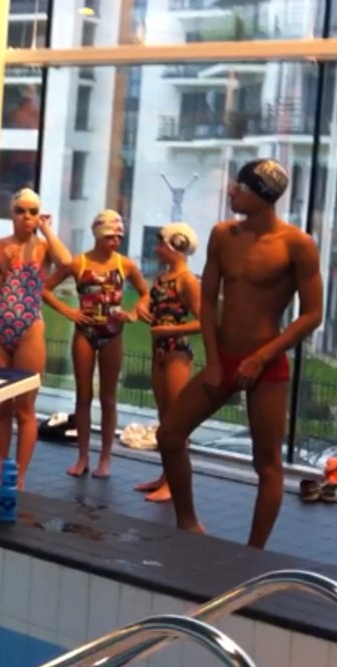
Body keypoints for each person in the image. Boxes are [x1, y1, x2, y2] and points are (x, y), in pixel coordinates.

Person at [157, 159, 322, 548]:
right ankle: (187, 522)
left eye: (241, 187)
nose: (231, 191)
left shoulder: (296, 245)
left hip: (267, 364)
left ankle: (254, 552)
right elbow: (207, 302)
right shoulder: (222, 235)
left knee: (268, 464)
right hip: (225, 358)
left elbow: (313, 314)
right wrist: (214, 361)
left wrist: (262, 357)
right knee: (169, 435)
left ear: (264, 196)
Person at [43, 210, 149, 479]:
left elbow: (145, 292)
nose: (115, 241)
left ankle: (105, 458)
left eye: (119, 237)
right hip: (85, 333)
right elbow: (45, 288)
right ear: (98, 236)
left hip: (113, 333)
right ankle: (82, 456)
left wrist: (134, 314)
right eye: (110, 237)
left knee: (108, 399)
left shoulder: (125, 265)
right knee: (83, 396)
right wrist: (69, 312)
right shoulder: (79, 263)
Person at [0, 188, 72, 488]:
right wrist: (1, 270)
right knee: (2, 408)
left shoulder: (43, 249)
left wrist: (47, 230)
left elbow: (67, 263)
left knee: (25, 409)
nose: (26, 217)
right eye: (21, 211)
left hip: (29, 328)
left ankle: (18, 477)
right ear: (12, 214)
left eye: (33, 212)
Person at [135, 223, 201, 503]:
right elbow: (151, 304)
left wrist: (169, 330)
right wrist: (141, 307)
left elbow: (204, 322)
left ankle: (176, 484)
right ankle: (166, 476)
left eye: (161, 244)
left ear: (176, 246)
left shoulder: (187, 281)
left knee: (176, 422)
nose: (157, 248)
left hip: (176, 352)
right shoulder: (162, 278)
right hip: (161, 351)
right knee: (165, 420)